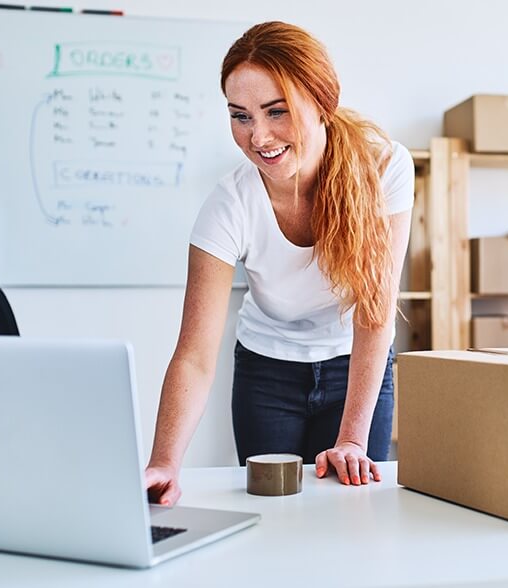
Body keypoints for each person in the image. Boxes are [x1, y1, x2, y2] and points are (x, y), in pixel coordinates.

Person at [144, 21, 414, 505]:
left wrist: (352, 437)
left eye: (276, 111)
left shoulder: (384, 167)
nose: (258, 137)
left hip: (354, 367)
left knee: (353, 515)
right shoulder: (230, 203)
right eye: (240, 116)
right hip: (266, 373)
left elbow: (375, 314)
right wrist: (164, 461)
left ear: (321, 102)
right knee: (271, 514)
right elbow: (194, 356)